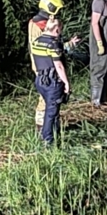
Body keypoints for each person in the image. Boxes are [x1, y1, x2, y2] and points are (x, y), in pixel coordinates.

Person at [28, 0, 80, 133]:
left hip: (48, 65)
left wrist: (68, 45)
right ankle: (42, 129)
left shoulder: (45, 24)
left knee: (52, 99)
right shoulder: (37, 25)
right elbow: (45, 48)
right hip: (45, 68)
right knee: (45, 100)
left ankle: (51, 126)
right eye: (58, 11)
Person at [30, 16, 71, 146]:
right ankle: (47, 140)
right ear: (57, 29)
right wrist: (66, 83)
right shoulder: (54, 44)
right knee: (51, 111)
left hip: (40, 80)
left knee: (50, 107)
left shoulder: (36, 42)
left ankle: (53, 132)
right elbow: (58, 66)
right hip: (52, 81)